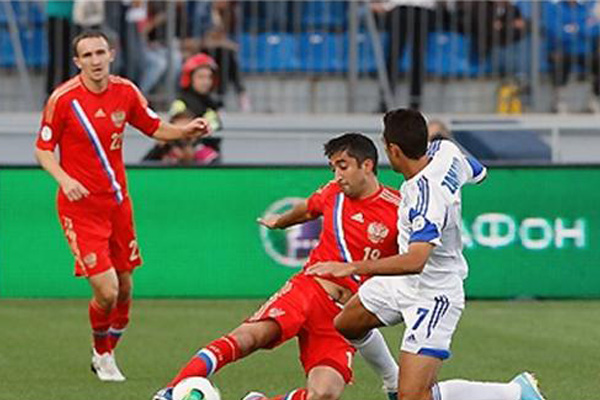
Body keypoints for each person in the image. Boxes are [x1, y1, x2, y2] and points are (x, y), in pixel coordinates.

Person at [307, 109, 546, 400]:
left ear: (394, 150)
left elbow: (416, 260)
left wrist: (350, 267)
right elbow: (479, 172)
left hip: (434, 293)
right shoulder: (445, 151)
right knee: (347, 323)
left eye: (385, 145)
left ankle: (515, 392)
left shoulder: (425, 199)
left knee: (416, 396)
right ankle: (393, 382)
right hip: (403, 285)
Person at [153, 133, 401, 400]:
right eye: (333, 168)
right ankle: (170, 391)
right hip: (309, 290)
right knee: (250, 338)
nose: (337, 175)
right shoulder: (333, 193)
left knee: (325, 394)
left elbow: (408, 260)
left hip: (343, 316)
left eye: (343, 166)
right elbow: (307, 209)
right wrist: (281, 222)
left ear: (367, 165)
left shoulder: (398, 208)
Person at [34, 30, 210, 382]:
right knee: (107, 289)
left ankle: (108, 348)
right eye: (87, 55)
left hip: (117, 205)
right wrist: (65, 180)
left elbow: (154, 127)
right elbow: (42, 149)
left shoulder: (125, 91)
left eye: (100, 53)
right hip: (79, 208)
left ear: (111, 54)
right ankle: (102, 353)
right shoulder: (63, 99)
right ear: (77, 62)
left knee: (126, 287)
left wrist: (186, 130)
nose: (95, 61)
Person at [169, 53, 223, 164]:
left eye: (209, 77)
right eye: (201, 77)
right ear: (190, 78)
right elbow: (174, 132)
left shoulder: (213, 105)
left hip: (208, 156)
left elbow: (215, 133)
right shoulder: (180, 103)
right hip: (180, 156)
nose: (206, 82)